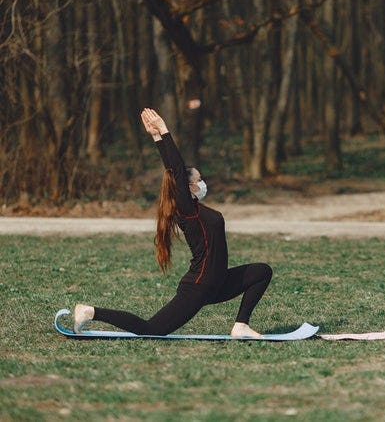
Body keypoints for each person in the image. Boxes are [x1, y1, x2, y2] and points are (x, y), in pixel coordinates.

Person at [73, 108, 272, 338]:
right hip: (200, 286)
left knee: (261, 271)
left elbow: (174, 170)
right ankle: (90, 312)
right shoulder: (187, 210)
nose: (202, 182)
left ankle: (241, 326)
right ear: (188, 188)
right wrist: (164, 132)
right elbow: (176, 169)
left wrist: (156, 135)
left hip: (220, 283)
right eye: (199, 179)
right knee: (152, 329)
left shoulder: (196, 210)